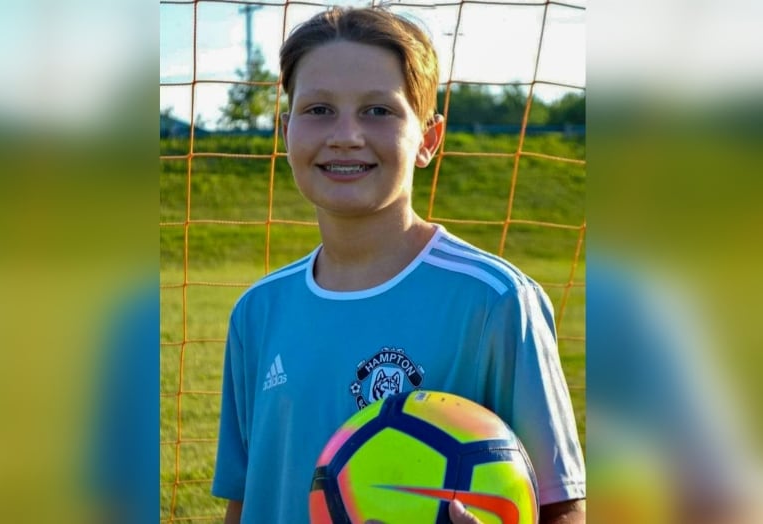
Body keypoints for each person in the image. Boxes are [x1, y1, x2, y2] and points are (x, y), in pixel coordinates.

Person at [211, 6, 586, 523]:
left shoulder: (496, 302)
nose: (346, 135)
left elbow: (562, 507)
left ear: (429, 139)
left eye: (378, 111)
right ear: (285, 130)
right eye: (318, 109)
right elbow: (246, 500)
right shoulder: (257, 312)